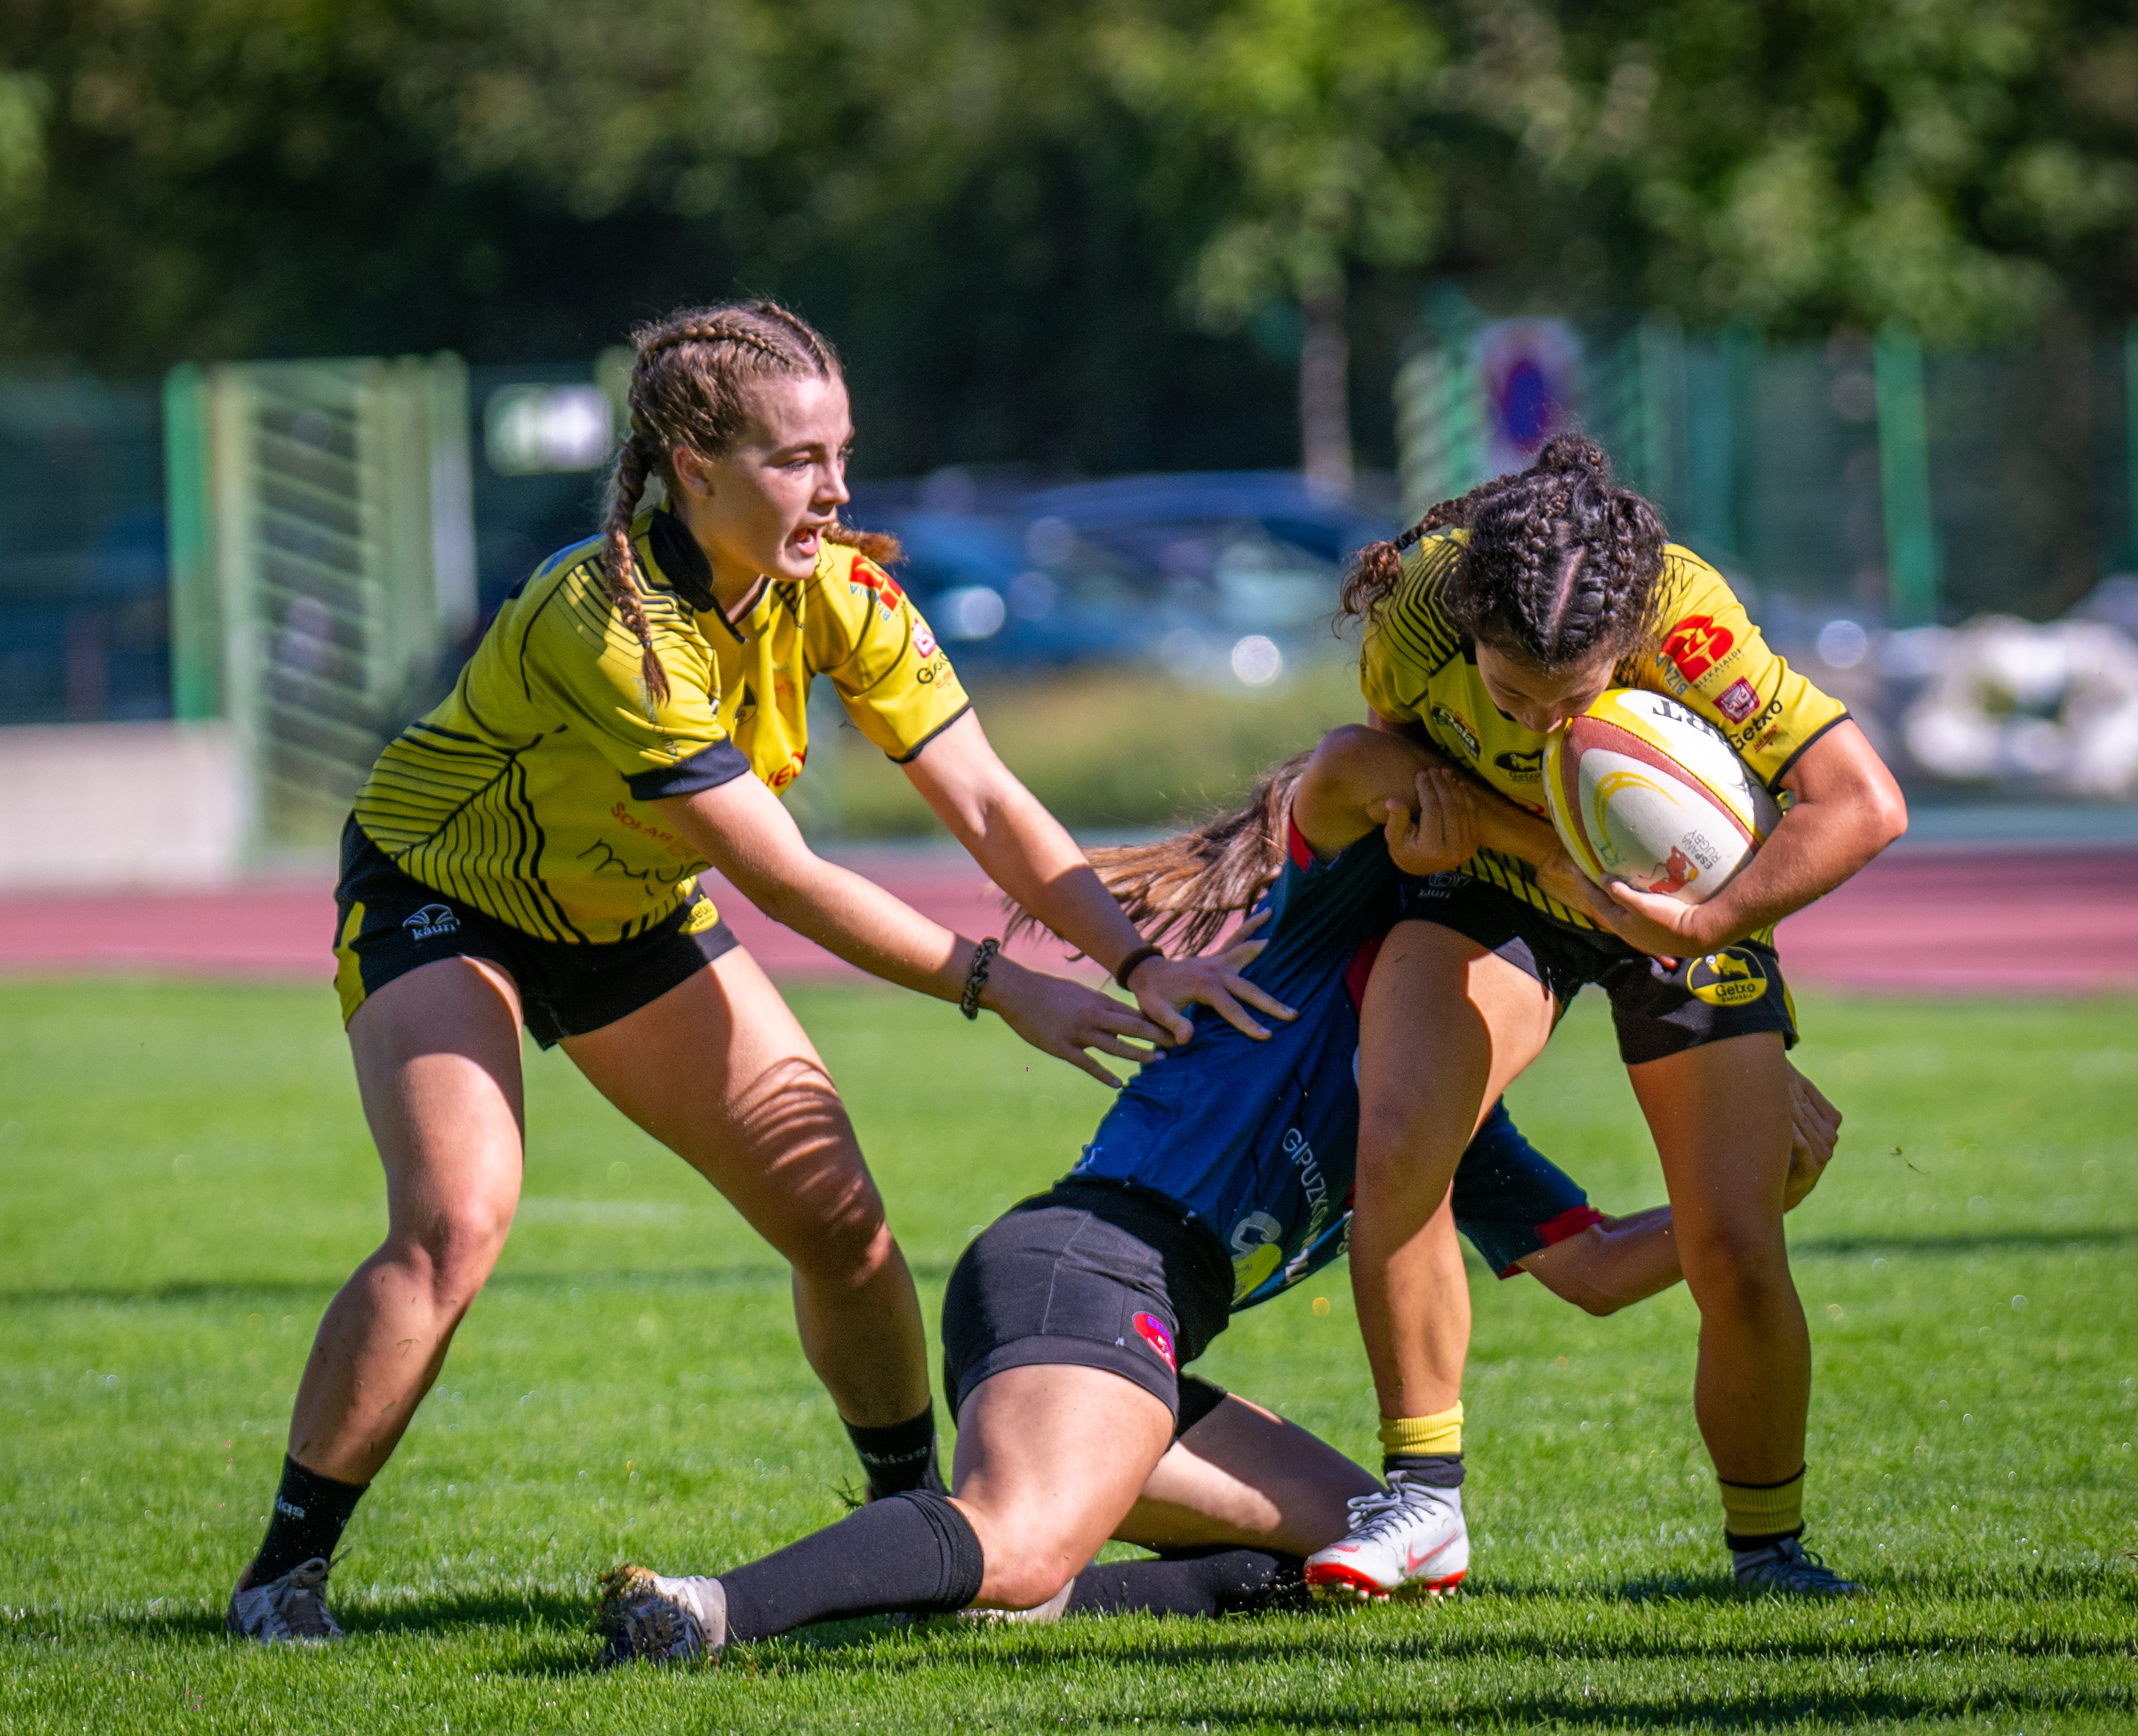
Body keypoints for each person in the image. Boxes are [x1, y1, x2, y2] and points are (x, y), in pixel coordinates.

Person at [226, 302, 1285, 1642]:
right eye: (798, 459)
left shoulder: (837, 587)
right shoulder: (606, 619)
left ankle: (912, 1537)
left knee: (842, 1227)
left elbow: (987, 798)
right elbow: (783, 877)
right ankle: (283, 1574)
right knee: (457, 1220)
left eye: (840, 452)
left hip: (627, 909)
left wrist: (1135, 958)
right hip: (446, 897)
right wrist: (1002, 984)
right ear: (693, 461)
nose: (835, 488)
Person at [595, 725, 1846, 1661]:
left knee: (1377, 1542)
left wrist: (1749, 1193)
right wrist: (1477, 814)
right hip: (1084, 1267)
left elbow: (1587, 1271)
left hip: (1145, 1332)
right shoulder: (1331, 924)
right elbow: (1348, 766)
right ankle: (705, 1609)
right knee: (1018, 1534)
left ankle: (955, 1583)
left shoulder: (1437, 1113)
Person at [1314, 433, 1906, 1599]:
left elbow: (1863, 802)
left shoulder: (1688, 617)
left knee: (1731, 1242)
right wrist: (1421, 827)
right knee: (1392, 1143)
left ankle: (1766, 1556)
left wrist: (1704, 924)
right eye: (1509, 693)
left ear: (1629, 645)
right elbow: (1389, 754)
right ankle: (1423, 1503)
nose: (1538, 723)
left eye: (1570, 697)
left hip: (1684, 898)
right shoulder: (1421, 610)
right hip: (1494, 873)